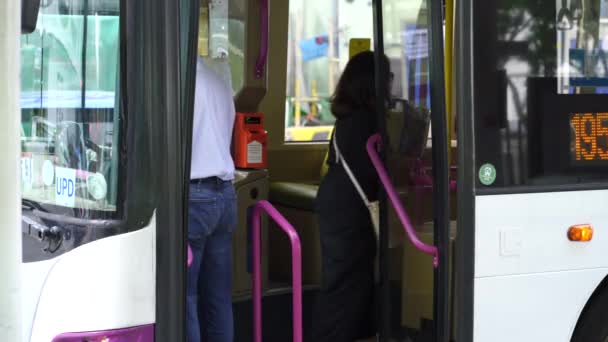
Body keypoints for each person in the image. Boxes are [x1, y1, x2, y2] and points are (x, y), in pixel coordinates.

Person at [312, 51, 392, 342]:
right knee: (347, 287)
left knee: (345, 283)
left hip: (337, 204)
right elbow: (378, 173)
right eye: (388, 77)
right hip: (350, 212)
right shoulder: (368, 122)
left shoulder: (348, 118)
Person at [187, 56, 237, 342]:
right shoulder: (218, 82)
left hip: (195, 197)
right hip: (225, 195)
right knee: (218, 296)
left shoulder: (183, 84)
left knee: (187, 295)